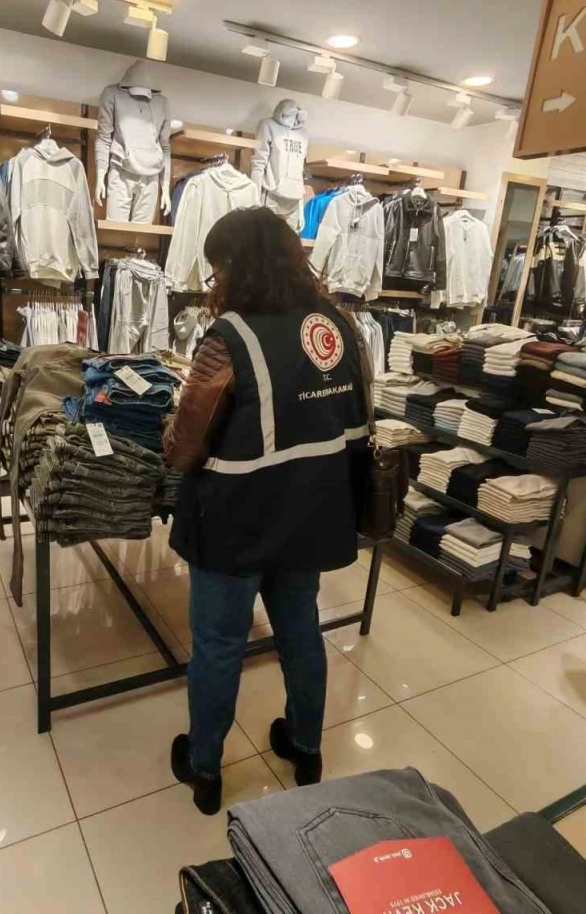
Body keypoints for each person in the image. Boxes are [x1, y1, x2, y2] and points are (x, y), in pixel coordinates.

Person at [163, 207, 371, 814]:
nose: (214, 283)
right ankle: (306, 748)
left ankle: (205, 769)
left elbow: (186, 445)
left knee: (219, 644)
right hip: (314, 510)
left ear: (235, 265)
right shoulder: (338, 325)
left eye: (216, 269)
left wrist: (166, 435)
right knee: (301, 630)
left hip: (237, 518)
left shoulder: (229, 338)